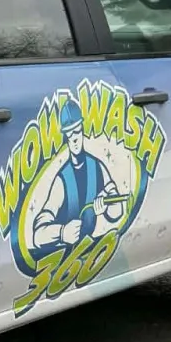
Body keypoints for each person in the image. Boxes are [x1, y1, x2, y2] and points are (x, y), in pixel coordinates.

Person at [30, 98, 127, 253]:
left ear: (82, 130)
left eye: (77, 131)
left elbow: (118, 211)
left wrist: (107, 205)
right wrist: (61, 233)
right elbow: (37, 235)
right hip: (65, 258)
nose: (74, 138)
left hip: (92, 251)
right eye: (69, 135)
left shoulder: (97, 166)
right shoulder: (62, 180)